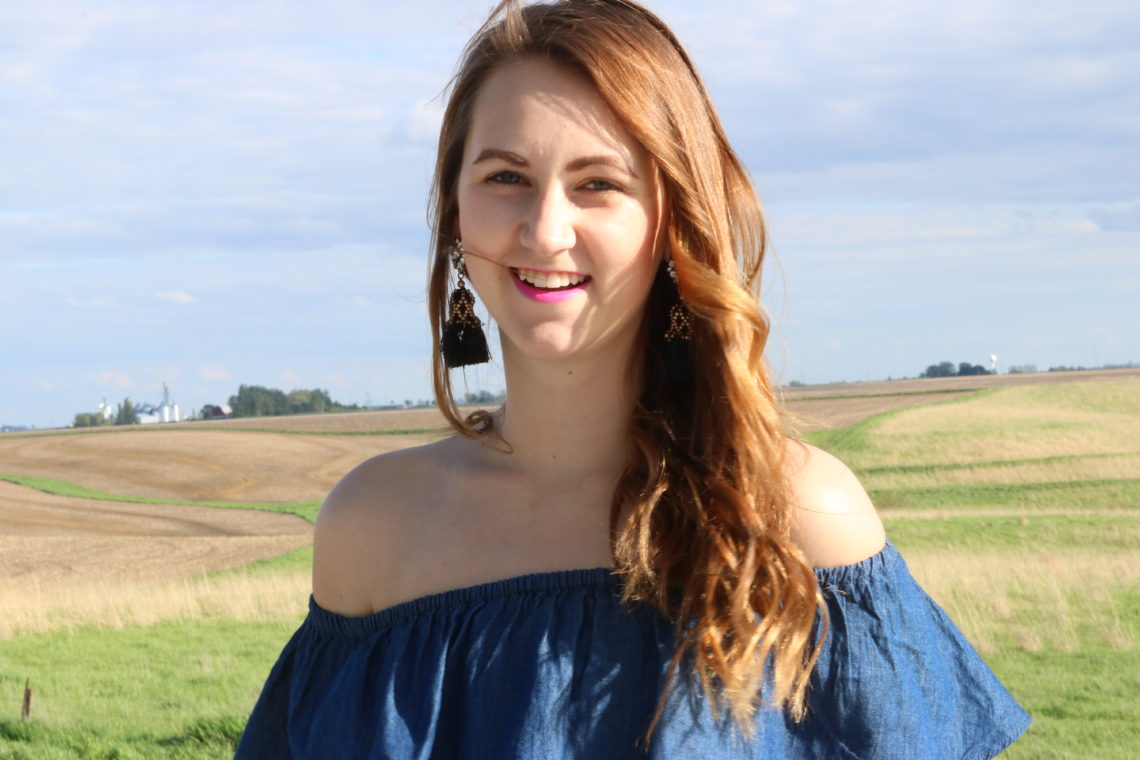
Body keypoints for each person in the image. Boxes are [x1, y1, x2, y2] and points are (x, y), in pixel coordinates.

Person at [236, 1, 1031, 757]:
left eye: (599, 184)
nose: (545, 228)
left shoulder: (800, 520)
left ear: (672, 222)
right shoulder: (373, 529)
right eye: (505, 177)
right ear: (453, 215)